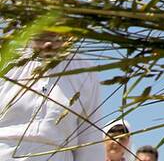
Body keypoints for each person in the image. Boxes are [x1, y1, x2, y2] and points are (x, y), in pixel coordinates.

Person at [0, 32, 101, 161]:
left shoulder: (85, 70)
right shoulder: (6, 60)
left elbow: (90, 139)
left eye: (55, 33)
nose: (48, 43)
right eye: (43, 33)